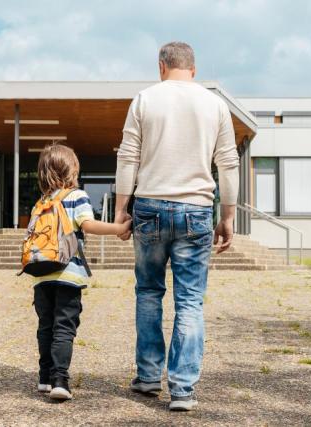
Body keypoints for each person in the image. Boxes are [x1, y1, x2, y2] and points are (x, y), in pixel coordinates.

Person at [114, 41, 239, 411]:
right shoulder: (215, 104)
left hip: (150, 206)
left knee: (149, 292)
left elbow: (127, 158)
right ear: (194, 69)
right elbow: (228, 164)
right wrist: (227, 216)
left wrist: (122, 209)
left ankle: (150, 376)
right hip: (197, 209)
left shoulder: (145, 99)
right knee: (189, 300)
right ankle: (183, 389)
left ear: (161, 66)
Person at [30, 143, 131, 401]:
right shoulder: (76, 196)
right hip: (68, 273)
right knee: (64, 326)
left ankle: (44, 377)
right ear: (72, 169)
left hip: (42, 274)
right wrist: (118, 229)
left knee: (46, 326)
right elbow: (88, 224)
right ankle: (60, 380)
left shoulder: (41, 202)